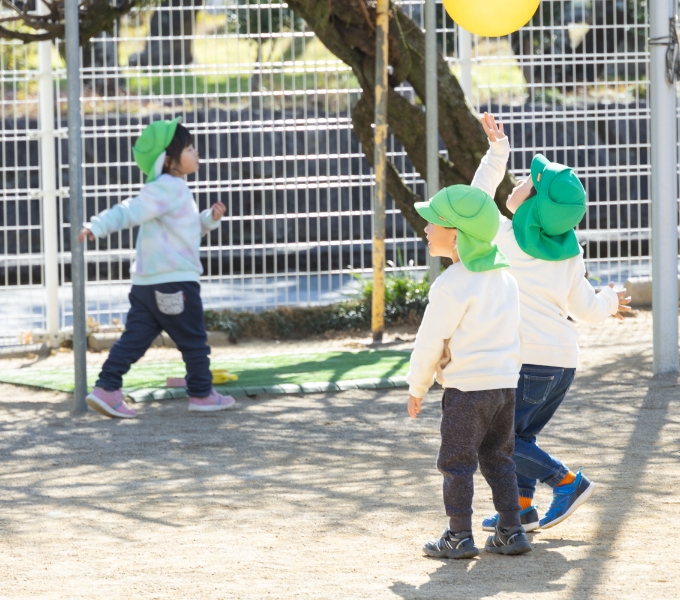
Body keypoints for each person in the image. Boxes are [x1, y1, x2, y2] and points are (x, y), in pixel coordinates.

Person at [474, 112, 631, 530]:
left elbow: (475, 199)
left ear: (532, 204)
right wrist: (611, 298)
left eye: (527, 183)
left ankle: (567, 482)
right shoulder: (569, 252)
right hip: (562, 363)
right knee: (522, 436)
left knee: (497, 442)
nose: (519, 184)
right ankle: (522, 508)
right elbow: (586, 309)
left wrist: (497, 152)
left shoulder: (506, 237)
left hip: (526, 361)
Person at [78, 118, 236, 418]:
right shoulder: (168, 188)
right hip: (175, 282)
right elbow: (131, 209)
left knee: (134, 339)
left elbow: (186, 229)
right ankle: (202, 393)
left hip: (146, 285)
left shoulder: (170, 189)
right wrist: (98, 226)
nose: (196, 154)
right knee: (193, 340)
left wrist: (208, 220)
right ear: (169, 159)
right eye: (190, 148)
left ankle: (106, 388)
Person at [406, 184, 532, 558]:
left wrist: (418, 385)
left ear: (456, 235)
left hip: (466, 391)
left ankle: (458, 535)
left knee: (456, 462)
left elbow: (429, 341)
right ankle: (511, 529)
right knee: (499, 457)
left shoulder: (450, 285)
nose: (426, 229)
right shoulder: (506, 280)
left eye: (434, 223)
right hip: (504, 387)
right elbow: (517, 332)